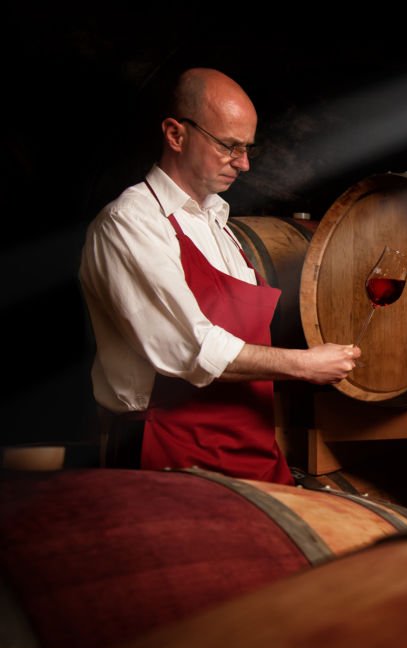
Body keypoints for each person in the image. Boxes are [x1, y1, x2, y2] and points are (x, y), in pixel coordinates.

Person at [80, 67, 359, 485]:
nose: (244, 164)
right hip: (170, 451)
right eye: (230, 147)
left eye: (247, 148)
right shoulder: (131, 222)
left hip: (250, 451)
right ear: (176, 135)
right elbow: (190, 347)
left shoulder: (220, 225)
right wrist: (303, 365)